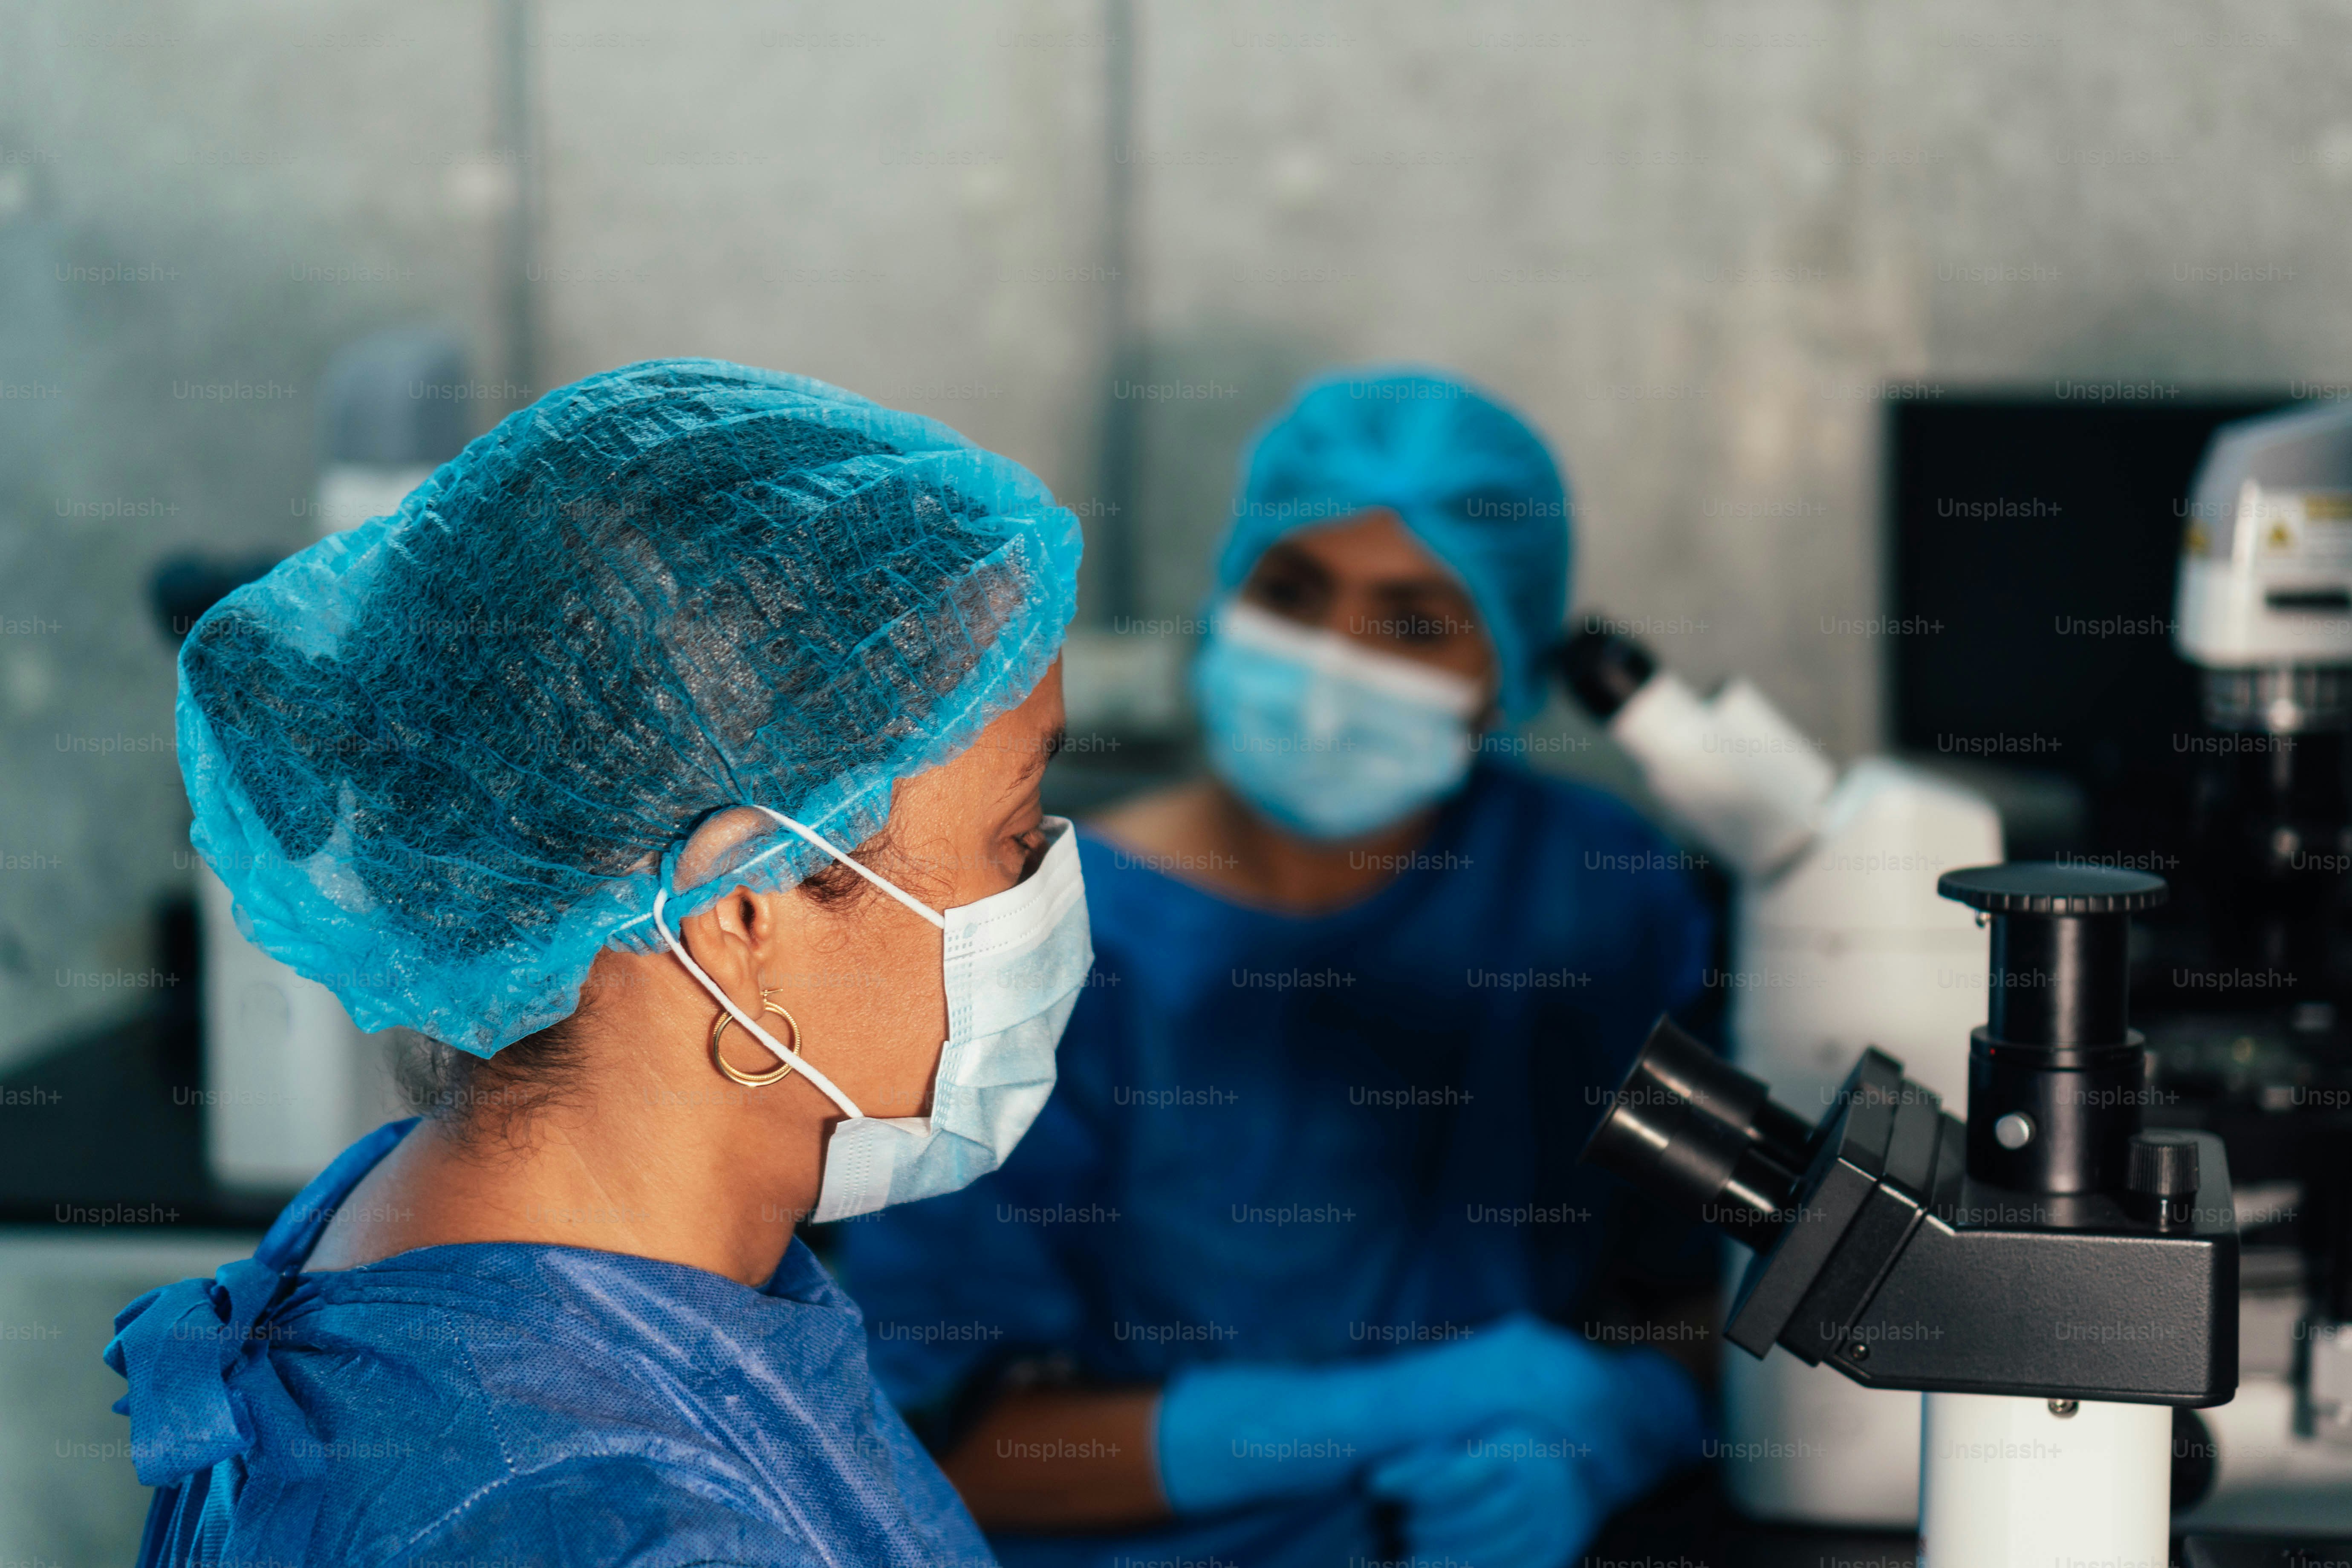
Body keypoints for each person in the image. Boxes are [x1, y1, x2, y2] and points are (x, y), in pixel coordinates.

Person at [105, 359, 1091, 1567]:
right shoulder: (606, 1519)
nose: (1046, 890)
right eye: (1013, 837)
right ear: (746, 910)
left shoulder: (439, 1233)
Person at [836, 367, 1717, 1568]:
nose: (1332, 664)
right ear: (1227, 594)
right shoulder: (1049, 934)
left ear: (1503, 668)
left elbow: (1701, 1301)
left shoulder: (1591, 889)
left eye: (1413, 622)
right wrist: (1365, 1421)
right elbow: (928, 1443)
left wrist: (1619, 1426)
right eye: (1293, 593)